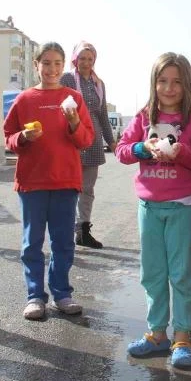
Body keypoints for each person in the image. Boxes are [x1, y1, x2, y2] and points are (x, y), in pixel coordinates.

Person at [116, 52, 191, 368]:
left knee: (181, 274)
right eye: (163, 80)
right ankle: (157, 334)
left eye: (177, 82)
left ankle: (182, 337)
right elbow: (122, 150)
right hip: (149, 208)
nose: (169, 88)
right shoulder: (144, 116)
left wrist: (182, 152)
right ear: (154, 83)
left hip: (182, 207)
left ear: (187, 85)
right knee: (152, 273)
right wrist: (142, 148)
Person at [4, 42, 94, 320]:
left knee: (63, 242)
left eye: (57, 63)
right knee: (32, 242)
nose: (51, 69)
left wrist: (74, 123)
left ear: (63, 66)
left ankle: (62, 293)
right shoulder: (24, 99)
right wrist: (23, 137)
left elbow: (86, 140)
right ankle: (34, 296)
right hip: (32, 182)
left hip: (65, 181)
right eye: (46, 63)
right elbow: (9, 137)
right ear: (36, 65)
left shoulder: (73, 99)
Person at [60, 41, 116, 249]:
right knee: (68, 188)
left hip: (93, 140)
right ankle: (64, 231)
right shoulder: (67, 79)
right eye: (82, 58)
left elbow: (102, 115)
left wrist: (112, 142)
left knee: (87, 189)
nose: (86, 63)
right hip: (71, 138)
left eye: (90, 59)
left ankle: (82, 231)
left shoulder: (98, 84)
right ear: (75, 59)